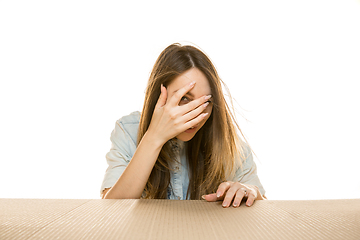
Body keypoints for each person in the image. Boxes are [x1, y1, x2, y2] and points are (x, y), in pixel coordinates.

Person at [100, 43, 266, 208]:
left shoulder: (232, 147)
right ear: (160, 94)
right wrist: (154, 137)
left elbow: (264, 205)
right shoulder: (128, 131)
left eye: (206, 102)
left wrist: (250, 191)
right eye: (185, 98)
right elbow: (111, 211)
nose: (196, 114)